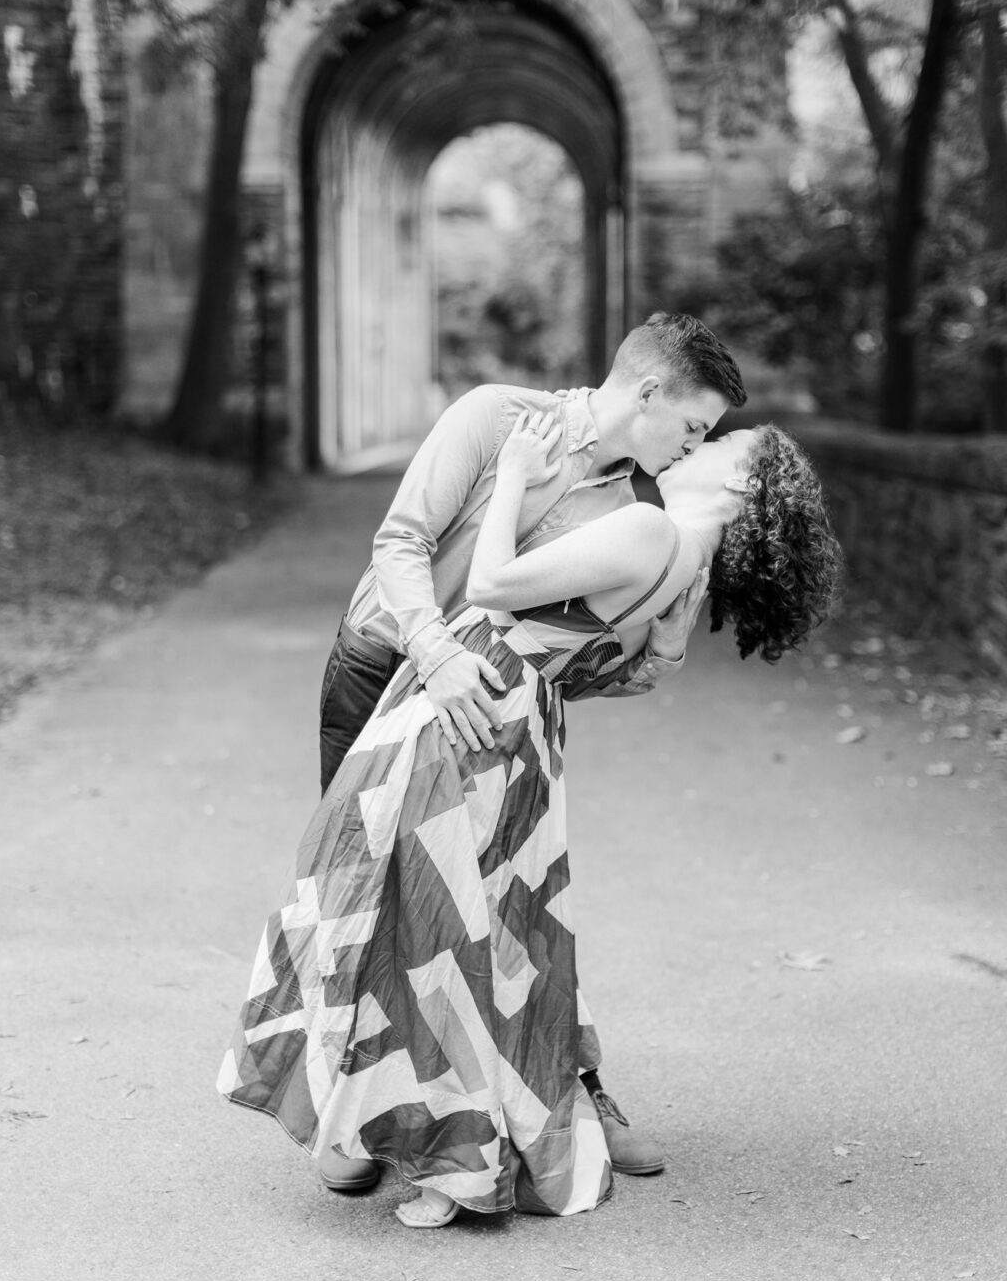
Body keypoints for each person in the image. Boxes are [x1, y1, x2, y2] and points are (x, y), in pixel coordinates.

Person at [218, 415, 841, 1229]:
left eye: (718, 444)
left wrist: (511, 471)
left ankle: (445, 1163)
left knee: (408, 926)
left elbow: (489, 585)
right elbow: (626, 669)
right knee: (465, 942)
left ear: (739, 485)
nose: (697, 447)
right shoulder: (684, 575)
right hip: (523, 725)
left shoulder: (652, 530)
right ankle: (427, 1148)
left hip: (471, 707)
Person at [311, 312, 748, 1189]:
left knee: (512, 921)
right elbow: (402, 539)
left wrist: (652, 662)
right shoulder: (495, 416)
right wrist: (435, 658)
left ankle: (575, 1095)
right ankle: (353, 1124)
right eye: (693, 428)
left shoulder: (638, 510)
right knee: (361, 904)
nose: (693, 447)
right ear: (649, 390)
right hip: (381, 670)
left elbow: (564, 667)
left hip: (490, 728)